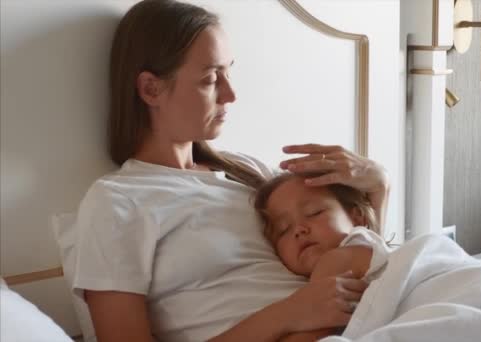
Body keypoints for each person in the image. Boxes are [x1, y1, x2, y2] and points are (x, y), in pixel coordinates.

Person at [71, 1, 390, 341]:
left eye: (228, 72)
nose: (231, 94)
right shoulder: (117, 201)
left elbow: (354, 257)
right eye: (210, 79)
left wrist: (380, 187)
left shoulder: (250, 173)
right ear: (151, 89)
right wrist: (290, 313)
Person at [254, 172, 390, 282]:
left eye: (314, 212)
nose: (298, 230)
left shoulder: (353, 250)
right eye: (283, 230)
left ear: (356, 218)